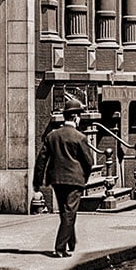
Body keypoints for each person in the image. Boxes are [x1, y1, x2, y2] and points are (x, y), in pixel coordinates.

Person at [32, 97, 93, 258]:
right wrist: (84, 178)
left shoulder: (53, 136)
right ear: (75, 117)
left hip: (57, 180)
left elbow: (41, 160)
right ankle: (60, 247)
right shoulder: (80, 137)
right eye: (79, 116)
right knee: (69, 212)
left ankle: (71, 243)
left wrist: (37, 182)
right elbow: (89, 161)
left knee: (65, 212)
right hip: (75, 180)